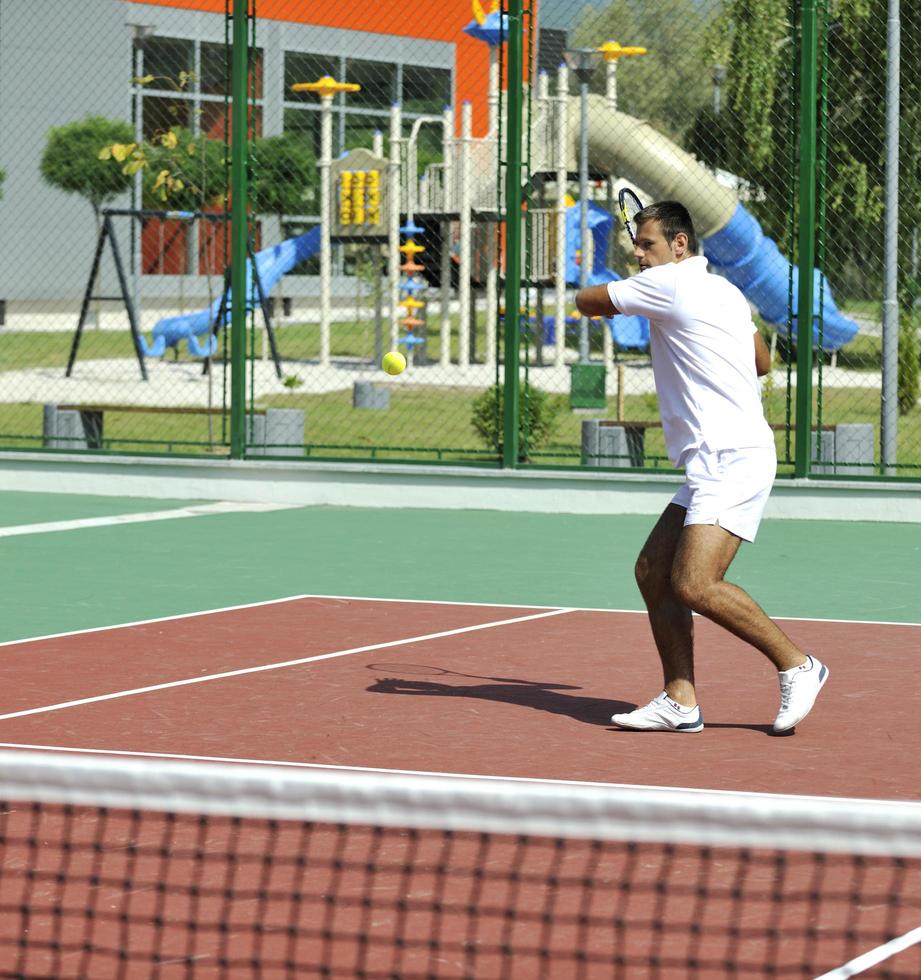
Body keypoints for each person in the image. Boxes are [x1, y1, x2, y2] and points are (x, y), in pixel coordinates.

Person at [575, 201, 827, 734]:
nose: (639, 254)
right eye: (636, 246)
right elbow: (762, 360)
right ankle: (680, 701)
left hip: (730, 458)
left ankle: (798, 665)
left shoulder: (667, 284)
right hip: (718, 458)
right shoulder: (727, 293)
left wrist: (592, 269)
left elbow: (587, 301)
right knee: (652, 572)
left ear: (680, 245)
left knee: (694, 582)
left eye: (647, 245)